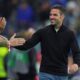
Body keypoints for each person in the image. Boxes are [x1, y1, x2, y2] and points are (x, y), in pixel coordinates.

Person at [5, 5, 80, 80]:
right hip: (45, 73)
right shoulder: (42, 32)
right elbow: (27, 45)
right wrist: (11, 43)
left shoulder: (70, 34)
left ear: (62, 16)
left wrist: (77, 64)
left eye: (55, 15)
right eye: (50, 14)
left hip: (62, 75)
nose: (51, 17)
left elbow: (76, 52)